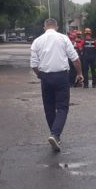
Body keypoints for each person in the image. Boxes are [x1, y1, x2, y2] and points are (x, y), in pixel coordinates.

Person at [30, 18, 83, 152]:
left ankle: (55, 135)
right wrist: (79, 73)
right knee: (62, 107)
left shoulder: (37, 41)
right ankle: (55, 134)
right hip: (61, 76)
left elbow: (34, 65)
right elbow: (75, 58)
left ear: (44, 27)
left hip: (46, 76)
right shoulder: (64, 39)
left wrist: (40, 75)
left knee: (48, 108)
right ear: (57, 26)